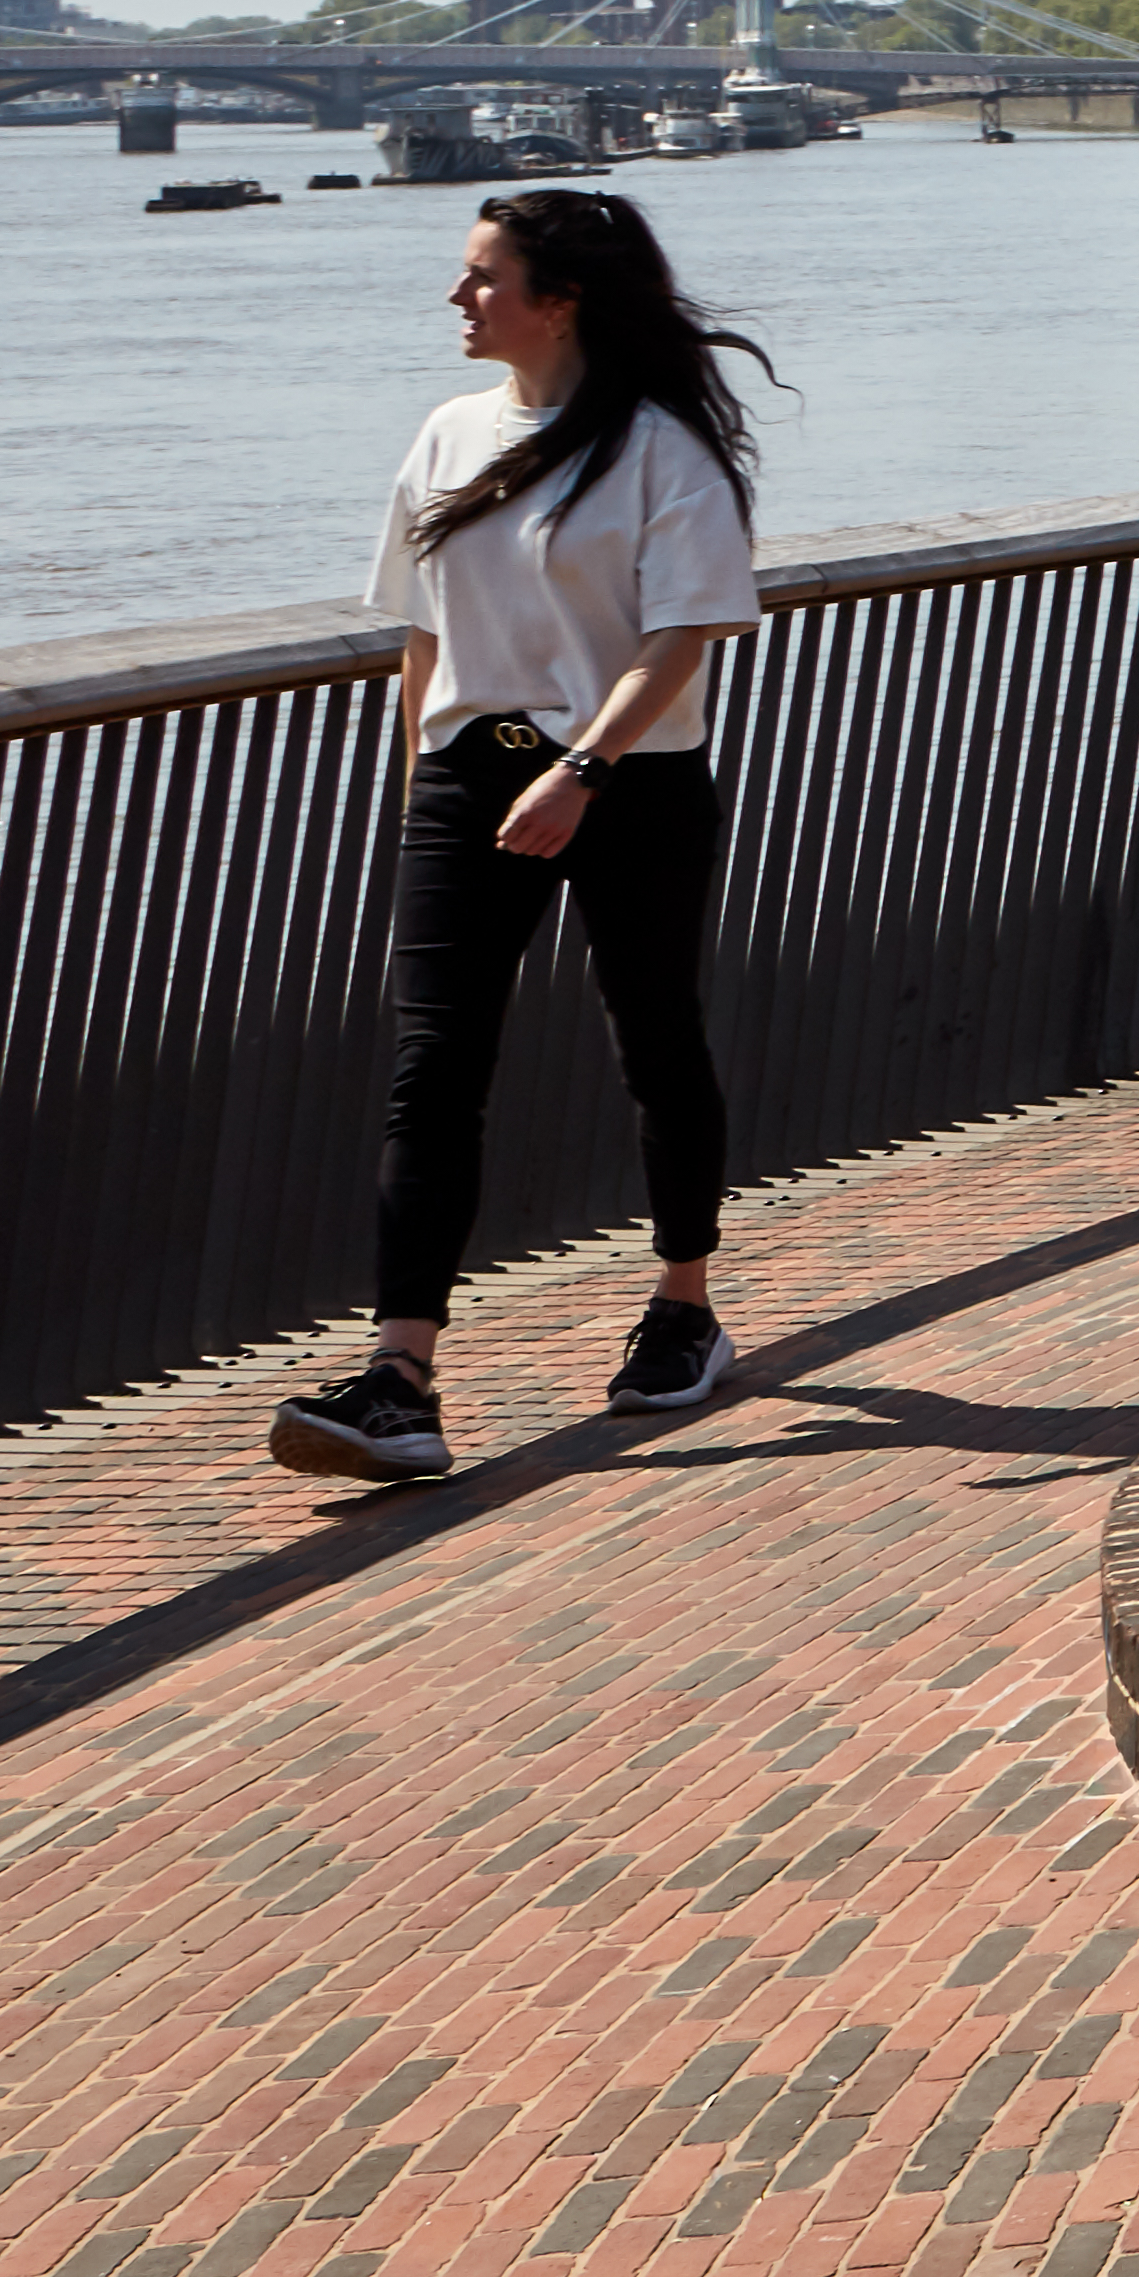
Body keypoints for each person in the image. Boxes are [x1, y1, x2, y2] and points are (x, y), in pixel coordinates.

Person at [272, 188, 772, 1482]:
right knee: (433, 1067)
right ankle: (401, 1379)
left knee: (655, 1036)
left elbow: (688, 630)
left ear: (561, 301)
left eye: (484, 277)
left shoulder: (664, 451)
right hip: (467, 779)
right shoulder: (446, 435)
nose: (459, 297)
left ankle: (684, 1308)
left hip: (632, 785)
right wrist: (420, 781)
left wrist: (583, 770)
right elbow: (419, 630)